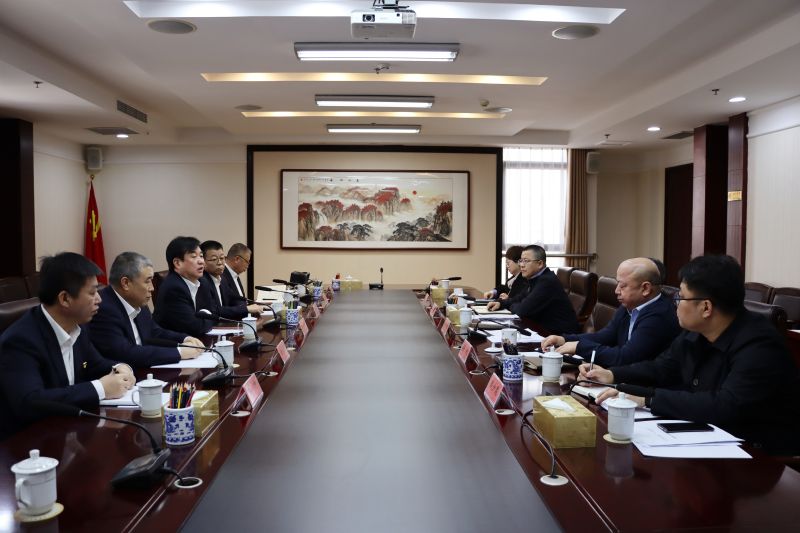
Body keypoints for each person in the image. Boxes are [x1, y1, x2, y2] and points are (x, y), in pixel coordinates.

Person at [582, 255, 800, 455]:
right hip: (708, 436)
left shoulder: (759, 345)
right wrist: (612, 376)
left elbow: (726, 405)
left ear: (706, 308)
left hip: (758, 454)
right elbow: (662, 368)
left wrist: (648, 399)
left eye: (681, 297)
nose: (675, 303)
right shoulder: (696, 332)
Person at [0, 253, 135, 438]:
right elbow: (31, 401)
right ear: (64, 299)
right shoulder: (20, 340)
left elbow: (95, 364)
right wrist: (100, 388)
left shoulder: (78, 326)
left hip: (67, 432)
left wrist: (120, 367)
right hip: (28, 442)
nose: (99, 299)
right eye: (92, 292)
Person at [541, 257, 680, 367]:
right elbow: (606, 336)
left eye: (623, 286)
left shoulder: (659, 315)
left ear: (646, 289)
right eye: (617, 283)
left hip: (644, 386)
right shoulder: (630, 305)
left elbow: (626, 357)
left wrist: (579, 347)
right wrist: (564, 339)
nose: (616, 291)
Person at [88, 252, 205, 367]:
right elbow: (124, 353)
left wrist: (185, 339)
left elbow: (154, 332)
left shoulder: (138, 302)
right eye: (147, 281)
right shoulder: (103, 308)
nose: (152, 288)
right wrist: (179, 353)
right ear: (126, 283)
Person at [487, 245, 580, 334]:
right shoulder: (535, 278)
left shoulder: (547, 282)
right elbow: (519, 298)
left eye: (526, 261)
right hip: (543, 329)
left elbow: (522, 311)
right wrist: (501, 303)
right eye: (521, 261)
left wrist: (509, 305)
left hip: (559, 335)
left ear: (540, 264)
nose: (521, 265)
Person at [153, 236, 216, 337]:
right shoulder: (173, 288)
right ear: (177, 263)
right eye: (194, 256)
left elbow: (214, 314)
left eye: (201, 256)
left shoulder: (203, 282)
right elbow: (195, 328)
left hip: (198, 340)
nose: (201, 261)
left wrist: (206, 317)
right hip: (174, 344)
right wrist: (207, 316)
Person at [199, 240, 263, 319]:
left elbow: (235, 299)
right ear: (203, 261)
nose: (220, 262)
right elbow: (215, 311)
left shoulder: (222, 280)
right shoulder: (202, 282)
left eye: (222, 258)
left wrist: (257, 305)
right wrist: (246, 309)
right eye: (214, 259)